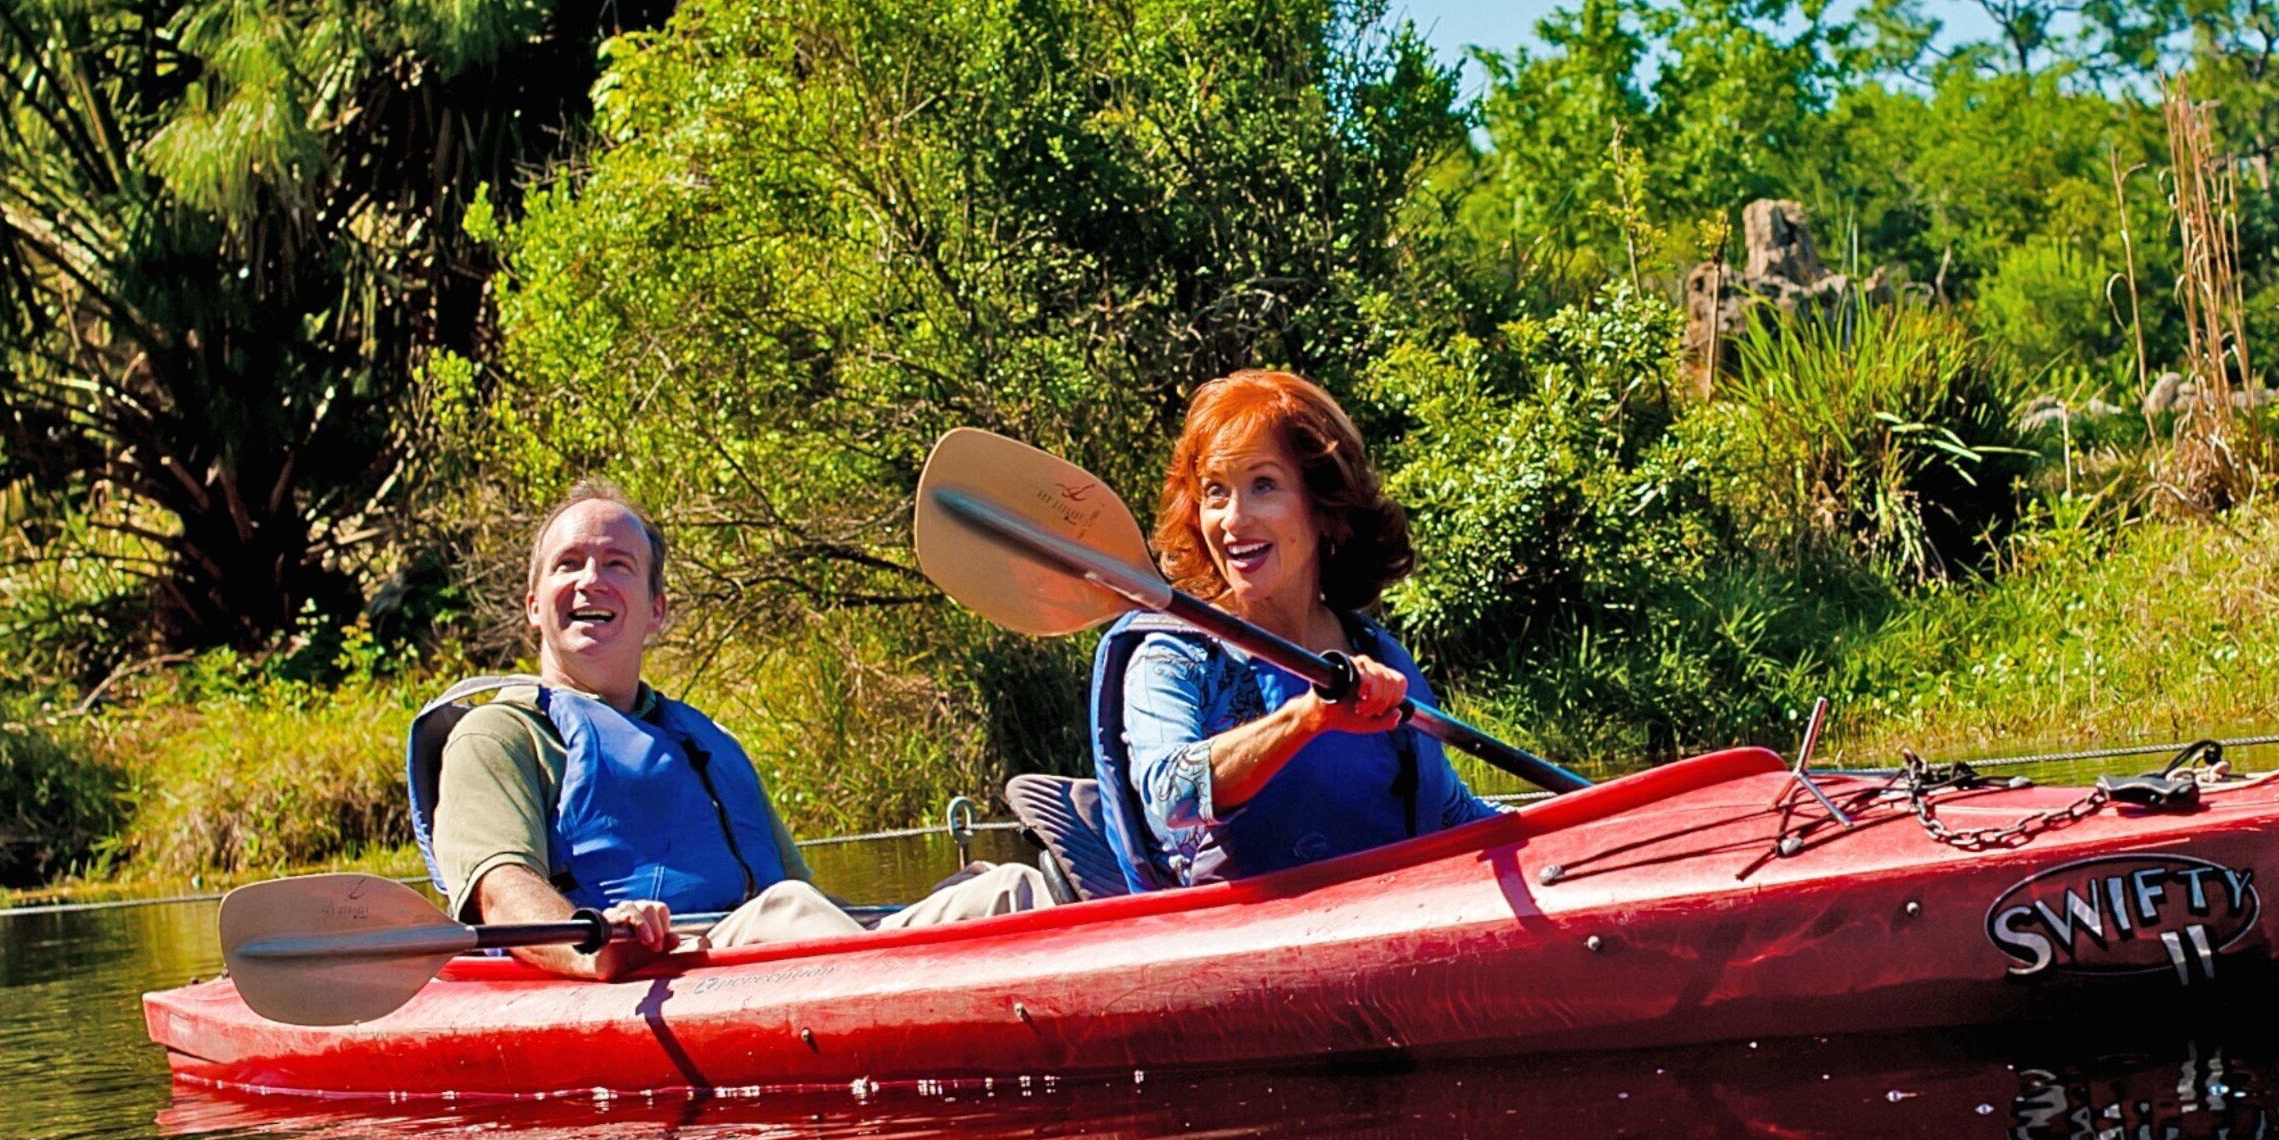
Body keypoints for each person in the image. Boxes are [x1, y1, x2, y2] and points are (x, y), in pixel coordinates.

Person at [410, 482, 1058, 974]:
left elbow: (804, 897)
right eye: (568, 563)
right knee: (789, 916)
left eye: (616, 565)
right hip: (642, 970)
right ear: (533, 605)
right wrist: (595, 938)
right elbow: (501, 894)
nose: (590, 581)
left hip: (769, 955)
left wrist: (917, 914)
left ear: (656, 609)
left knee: (1011, 889)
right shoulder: (498, 737)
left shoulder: (706, 743)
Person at [1090, 372, 1497, 889]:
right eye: (1216, 492)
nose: (1234, 520)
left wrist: (1592, 825)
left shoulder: (1377, 652)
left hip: (1380, 924)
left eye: (1264, 486)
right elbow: (1173, 795)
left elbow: (1448, 814)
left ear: (1323, 507)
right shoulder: (1170, 654)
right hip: (1231, 944)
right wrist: (1307, 720)